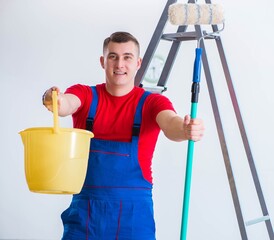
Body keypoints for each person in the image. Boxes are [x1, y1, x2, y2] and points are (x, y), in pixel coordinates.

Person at [42, 31, 205, 240]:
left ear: (138, 63)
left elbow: (170, 123)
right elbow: (65, 104)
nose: (120, 64)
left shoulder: (152, 103)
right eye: (113, 57)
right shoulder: (85, 95)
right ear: (103, 61)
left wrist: (185, 129)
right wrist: (54, 100)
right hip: (86, 216)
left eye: (127, 57)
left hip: (134, 218)